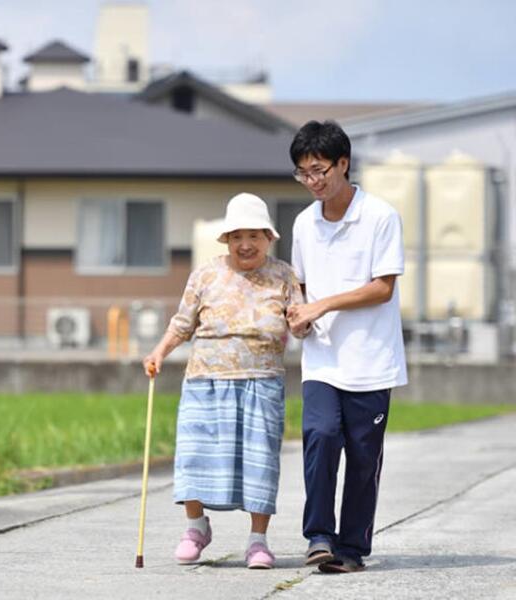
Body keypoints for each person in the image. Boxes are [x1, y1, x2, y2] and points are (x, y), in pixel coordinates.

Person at [143, 192, 307, 569]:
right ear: (227, 240)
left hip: (261, 381)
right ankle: (196, 527)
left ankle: (258, 541)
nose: (245, 244)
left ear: (269, 237)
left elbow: (300, 323)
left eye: (253, 235)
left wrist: (303, 322)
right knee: (195, 456)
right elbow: (183, 323)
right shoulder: (206, 274)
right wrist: (158, 352)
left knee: (260, 461)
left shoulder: (284, 275)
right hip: (206, 380)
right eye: (236, 236)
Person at [286, 120, 408, 574]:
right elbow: (299, 285)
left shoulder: (380, 216)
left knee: (362, 457)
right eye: (303, 173)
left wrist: (322, 305)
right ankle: (319, 536)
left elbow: (382, 288)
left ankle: (351, 549)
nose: (313, 182)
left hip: (372, 361)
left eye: (319, 170)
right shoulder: (303, 223)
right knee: (318, 436)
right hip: (321, 359)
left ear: (344, 163)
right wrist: (299, 314)